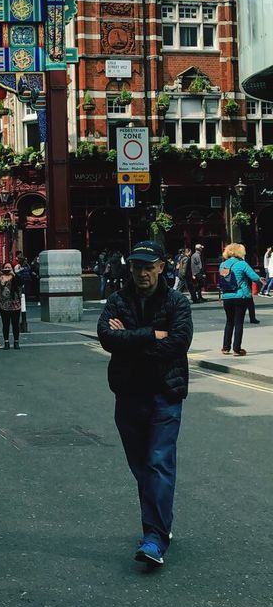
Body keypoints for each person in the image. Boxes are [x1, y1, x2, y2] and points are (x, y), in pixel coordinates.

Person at [97, 240, 193, 568]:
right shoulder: (118, 300)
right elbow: (106, 337)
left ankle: (153, 537)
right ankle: (160, 525)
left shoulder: (177, 301)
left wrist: (131, 341)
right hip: (128, 396)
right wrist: (152, 335)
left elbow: (179, 342)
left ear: (161, 267)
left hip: (165, 394)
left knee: (157, 463)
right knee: (142, 468)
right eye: (136, 266)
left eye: (148, 267)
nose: (141, 273)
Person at [218, 243, 262, 357]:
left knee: (229, 322)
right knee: (238, 323)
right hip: (240, 296)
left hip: (226, 296)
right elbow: (254, 277)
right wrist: (259, 279)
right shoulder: (242, 264)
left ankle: (225, 348)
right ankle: (237, 349)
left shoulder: (222, 265)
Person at [0, 262, 23, 348]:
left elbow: (20, 283)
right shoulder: (0, 277)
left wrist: (14, 274)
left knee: (15, 324)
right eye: (6, 267)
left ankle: (16, 341)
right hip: (4, 303)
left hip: (15, 303)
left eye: (9, 267)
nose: (7, 269)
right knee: (5, 324)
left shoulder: (15, 276)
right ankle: (6, 341)